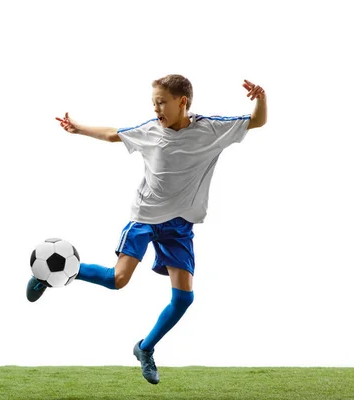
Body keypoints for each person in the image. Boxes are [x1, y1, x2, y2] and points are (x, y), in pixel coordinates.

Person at [26, 75, 267, 384]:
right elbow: (114, 134)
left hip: (179, 226)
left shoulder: (210, 129)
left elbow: (257, 121)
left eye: (161, 102)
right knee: (118, 280)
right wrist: (78, 128)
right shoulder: (151, 131)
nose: (156, 109)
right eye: (153, 102)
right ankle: (51, 273)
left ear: (182, 102)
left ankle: (145, 348)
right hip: (145, 218)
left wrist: (261, 97)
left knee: (184, 300)